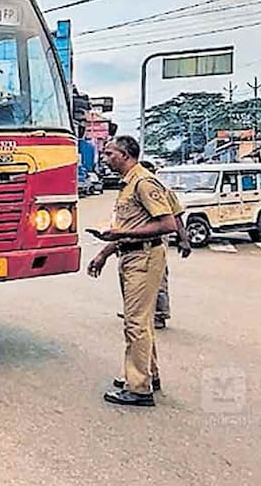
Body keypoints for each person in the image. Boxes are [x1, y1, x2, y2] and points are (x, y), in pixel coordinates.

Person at [87, 135, 177, 407]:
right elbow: (130, 223)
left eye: (110, 154)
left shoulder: (143, 182)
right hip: (130, 255)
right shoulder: (127, 183)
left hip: (144, 256)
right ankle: (149, 374)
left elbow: (168, 223)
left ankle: (138, 388)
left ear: (126, 155)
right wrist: (104, 253)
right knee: (142, 320)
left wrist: (121, 233)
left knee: (135, 323)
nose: (105, 159)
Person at [116, 160, 191, 329]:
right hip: (134, 240)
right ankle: (137, 310)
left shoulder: (159, 189)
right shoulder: (130, 187)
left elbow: (176, 216)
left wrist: (183, 239)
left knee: (159, 279)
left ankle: (159, 313)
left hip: (155, 238)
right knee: (134, 282)